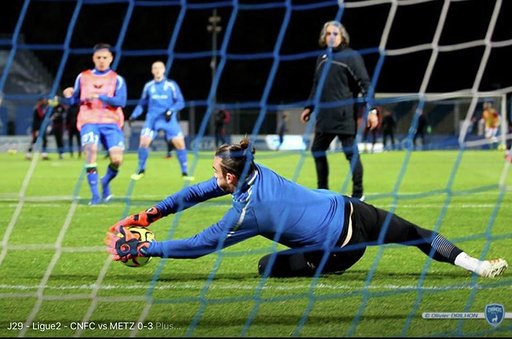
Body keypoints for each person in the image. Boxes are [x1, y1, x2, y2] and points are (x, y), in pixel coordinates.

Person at [105, 137, 508, 279]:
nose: (212, 178)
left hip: (340, 251)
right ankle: (478, 266)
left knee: (266, 266)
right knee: (418, 235)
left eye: (215, 171)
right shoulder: (254, 169)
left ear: (229, 177)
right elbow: (193, 194)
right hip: (352, 208)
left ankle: (313, 265)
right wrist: (150, 215)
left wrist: (147, 247)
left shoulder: (248, 211)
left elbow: (199, 245)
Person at [300, 20, 378, 201]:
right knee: (317, 150)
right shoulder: (322, 58)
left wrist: (372, 110)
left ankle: (358, 193)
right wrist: (309, 106)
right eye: (328, 34)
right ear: (323, 37)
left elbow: (365, 83)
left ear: (343, 37)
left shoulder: (351, 56)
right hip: (324, 116)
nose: (332, 37)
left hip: (344, 115)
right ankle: (323, 190)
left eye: (336, 34)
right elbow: (316, 85)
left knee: (351, 154)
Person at [62, 43, 127, 205]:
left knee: (117, 160)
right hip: (89, 120)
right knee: (91, 151)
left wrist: (101, 96)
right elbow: (74, 100)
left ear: (111, 58)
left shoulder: (116, 79)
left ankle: (105, 181)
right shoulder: (83, 77)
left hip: (111, 122)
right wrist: (69, 94)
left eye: (105, 57)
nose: (102, 60)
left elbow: (121, 101)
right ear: (94, 58)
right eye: (99, 57)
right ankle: (95, 195)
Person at [129, 60, 193, 181]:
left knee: (180, 144)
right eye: (155, 68)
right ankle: (140, 170)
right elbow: (142, 103)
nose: (157, 70)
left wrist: (171, 111)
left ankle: (185, 172)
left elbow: (180, 102)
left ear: (164, 70)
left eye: (160, 68)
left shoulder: (171, 85)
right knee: (144, 142)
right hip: (152, 120)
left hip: (168, 120)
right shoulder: (149, 86)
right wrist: (134, 115)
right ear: (152, 71)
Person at [26, 95, 62, 160]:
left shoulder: (39, 107)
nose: (44, 101)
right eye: (43, 100)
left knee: (44, 140)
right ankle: (29, 154)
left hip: (40, 127)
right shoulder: (38, 108)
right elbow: (41, 116)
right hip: (37, 128)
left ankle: (44, 154)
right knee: (34, 140)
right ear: (40, 101)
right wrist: (49, 107)